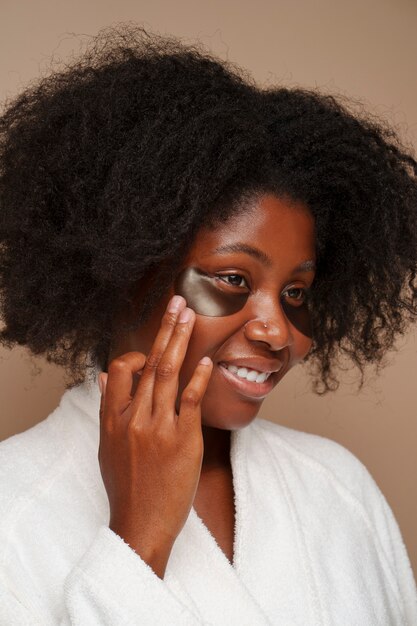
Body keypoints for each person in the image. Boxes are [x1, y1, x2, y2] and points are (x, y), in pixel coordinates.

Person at [0, 25, 416, 625]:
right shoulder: (13, 512)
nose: (279, 333)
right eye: (233, 280)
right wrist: (136, 547)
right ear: (124, 270)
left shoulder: (337, 489)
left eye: (296, 292)